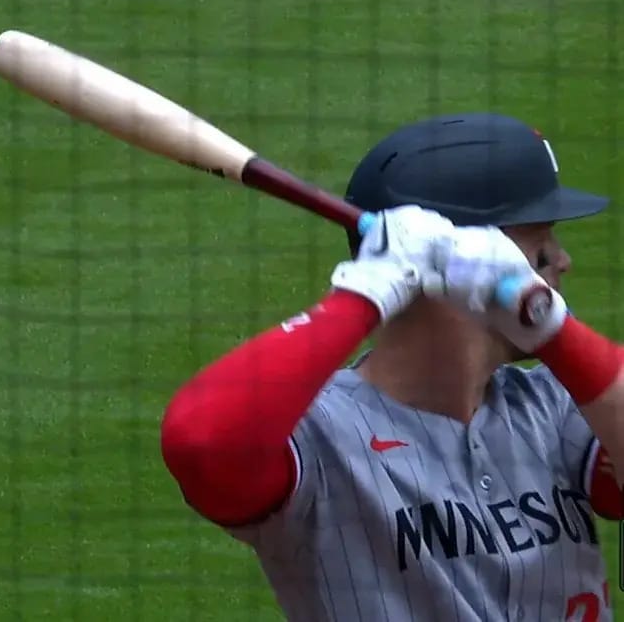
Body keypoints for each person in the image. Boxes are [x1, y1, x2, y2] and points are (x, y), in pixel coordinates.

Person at [160, 112, 623, 621]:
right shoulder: (322, 439)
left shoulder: (555, 409)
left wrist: (548, 324)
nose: (562, 259)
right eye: (541, 243)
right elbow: (201, 443)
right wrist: (365, 294)